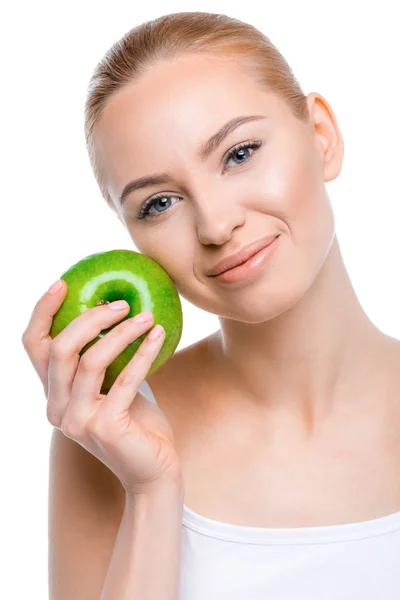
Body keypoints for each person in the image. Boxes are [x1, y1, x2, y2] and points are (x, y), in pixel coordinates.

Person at [22, 11, 400, 600]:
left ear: (321, 136)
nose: (218, 223)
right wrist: (151, 491)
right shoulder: (107, 434)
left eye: (240, 153)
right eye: (159, 202)